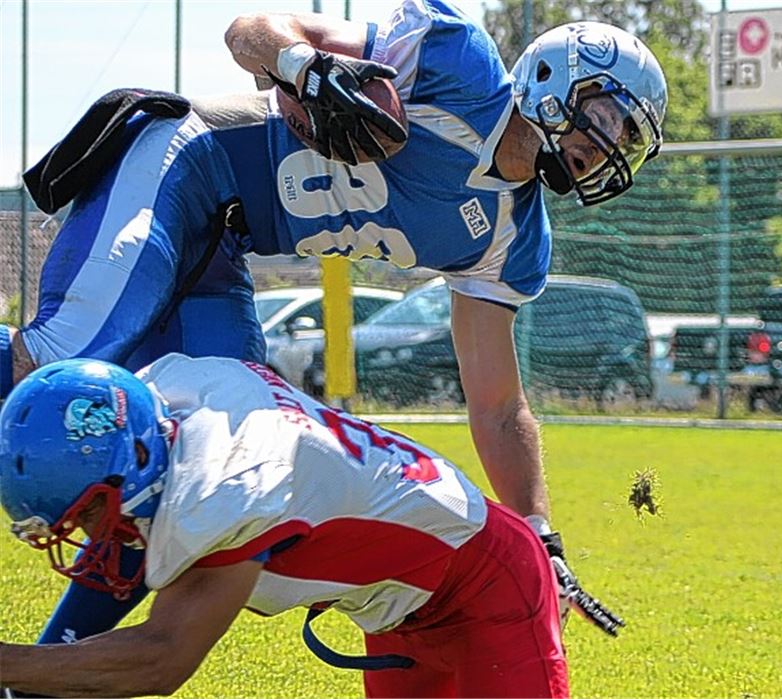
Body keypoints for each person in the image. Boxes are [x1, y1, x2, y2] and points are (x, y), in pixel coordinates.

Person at [0, 0, 663, 641]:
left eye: (631, 139)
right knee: (62, 354)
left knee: (188, 468)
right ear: (558, 77)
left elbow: (496, 404)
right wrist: (304, 66)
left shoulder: (512, 237)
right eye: (613, 118)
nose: (615, 144)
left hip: (225, 244)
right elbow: (246, 31)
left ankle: (37, 675)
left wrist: (538, 531)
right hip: (180, 162)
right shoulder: (455, 63)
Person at [0, 354, 569, 698]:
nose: (93, 536)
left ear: (139, 463)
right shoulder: (167, 401)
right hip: (397, 612)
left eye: (93, 513)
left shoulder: (227, 487)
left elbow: (162, 657)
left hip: (488, 584)